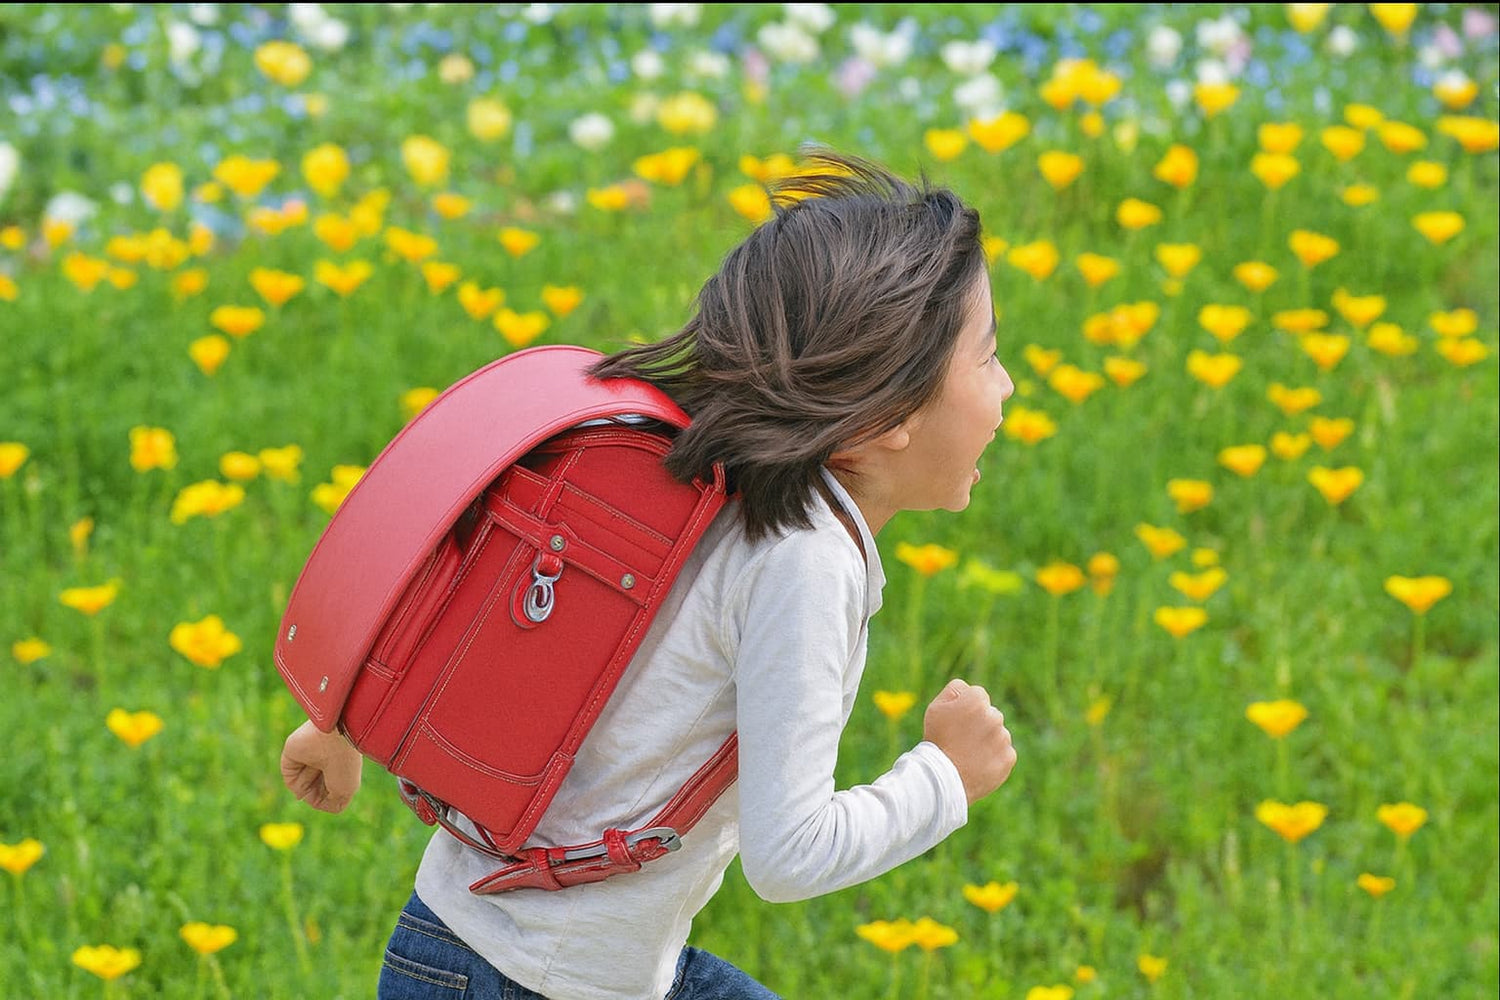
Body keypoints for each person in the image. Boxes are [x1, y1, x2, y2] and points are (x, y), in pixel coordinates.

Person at [280, 148, 1018, 1000]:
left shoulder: (696, 473)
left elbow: (483, 582)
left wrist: (338, 719)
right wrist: (943, 777)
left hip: (483, 950)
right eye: (988, 357)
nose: (1005, 385)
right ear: (891, 415)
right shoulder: (806, 563)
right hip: (523, 982)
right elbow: (793, 853)